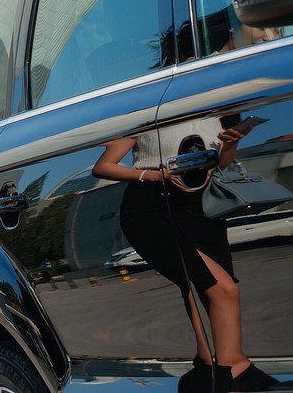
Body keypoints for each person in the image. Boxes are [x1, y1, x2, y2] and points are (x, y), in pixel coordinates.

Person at [92, 119, 279, 392]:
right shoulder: (147, 114)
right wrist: (155, 175)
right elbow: (103, 167)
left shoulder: (214, 115)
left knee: (200, 289)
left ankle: (207, 367)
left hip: (202, 208)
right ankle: (235, 369)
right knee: (221, 289)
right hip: (154, 206)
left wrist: (231, 143)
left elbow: (221, 165)